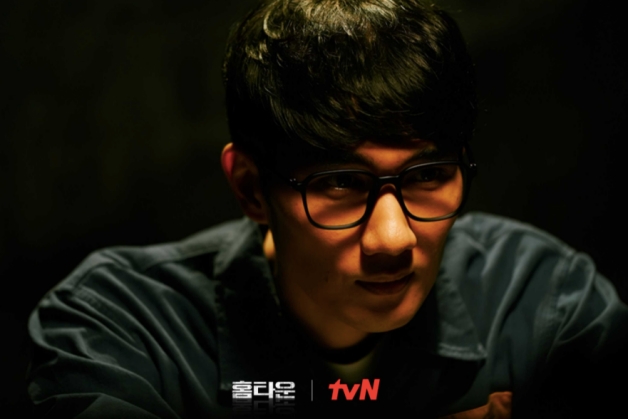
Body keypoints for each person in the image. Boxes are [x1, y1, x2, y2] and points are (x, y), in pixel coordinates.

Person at [26, 0, 627, 417]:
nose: (393, 238)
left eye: (428, 176)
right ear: (251, 189)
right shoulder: (123, 325)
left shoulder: (543, 298)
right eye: (341, 183)